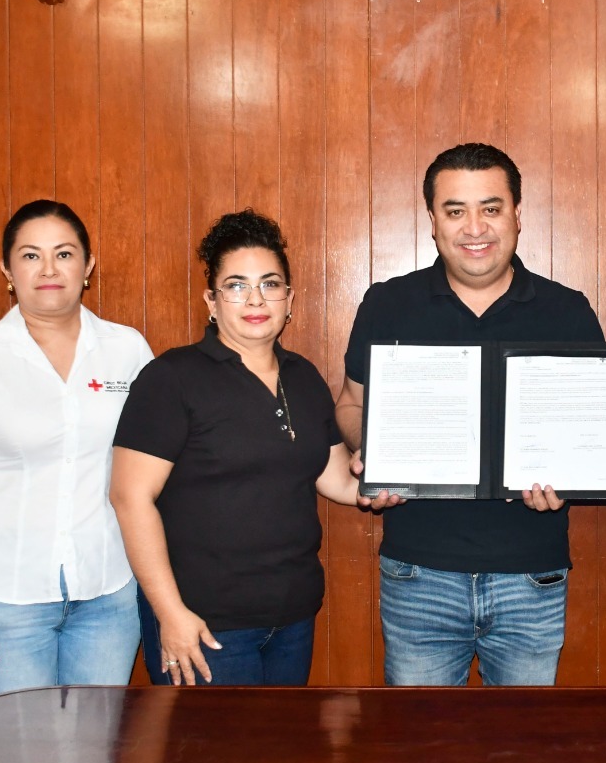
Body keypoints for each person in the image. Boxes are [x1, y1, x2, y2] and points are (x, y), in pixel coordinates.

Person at [335, 142, 605, 686]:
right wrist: (375, 454)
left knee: (529, 760)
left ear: (517, 215)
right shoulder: (388, 304)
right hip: (419, 573)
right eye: (455, 210)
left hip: (532, 573)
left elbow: (593, 433)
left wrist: (571, 476)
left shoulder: (567, 310)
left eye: (491, 207)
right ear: (433, 220)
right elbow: (350, 403)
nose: (474, 227)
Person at [110, 210, 397, 686]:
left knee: (279, 758)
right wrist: (171, 614)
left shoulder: (302, 377)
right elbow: (128, 498)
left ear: (290, 298)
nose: (255, 299)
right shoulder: (171, 378)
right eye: (237, 285)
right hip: (205, 624)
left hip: (292, 616)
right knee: (214, 762)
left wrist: (385, 480)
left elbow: (334, 477)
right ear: (212, 300)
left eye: (269, 284)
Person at [0, 200, 153, 697]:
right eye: (30, 256)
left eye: (64, 254)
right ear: (8, 270)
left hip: (109, 595)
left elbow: (155, 467)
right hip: (5, 601)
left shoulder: (127, 349)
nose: (48, 269)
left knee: (94, 757)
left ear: (87, 266)